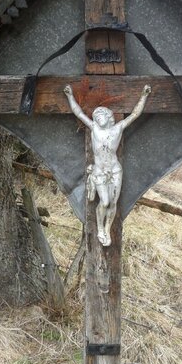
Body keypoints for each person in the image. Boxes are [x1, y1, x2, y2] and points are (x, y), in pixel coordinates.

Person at [63, 83, 151, 246]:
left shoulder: (118, 129)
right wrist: (70, 96)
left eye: (102, 114)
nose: (98, 117)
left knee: (113, 203)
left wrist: (144, 96)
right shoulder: (94, 128)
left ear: (109, 116)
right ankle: (100, 229)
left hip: (115, 170)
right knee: (104, 202)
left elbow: (135, 114)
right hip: (100, 171)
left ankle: (107, 228)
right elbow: (79, 113)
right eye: (96, 115)